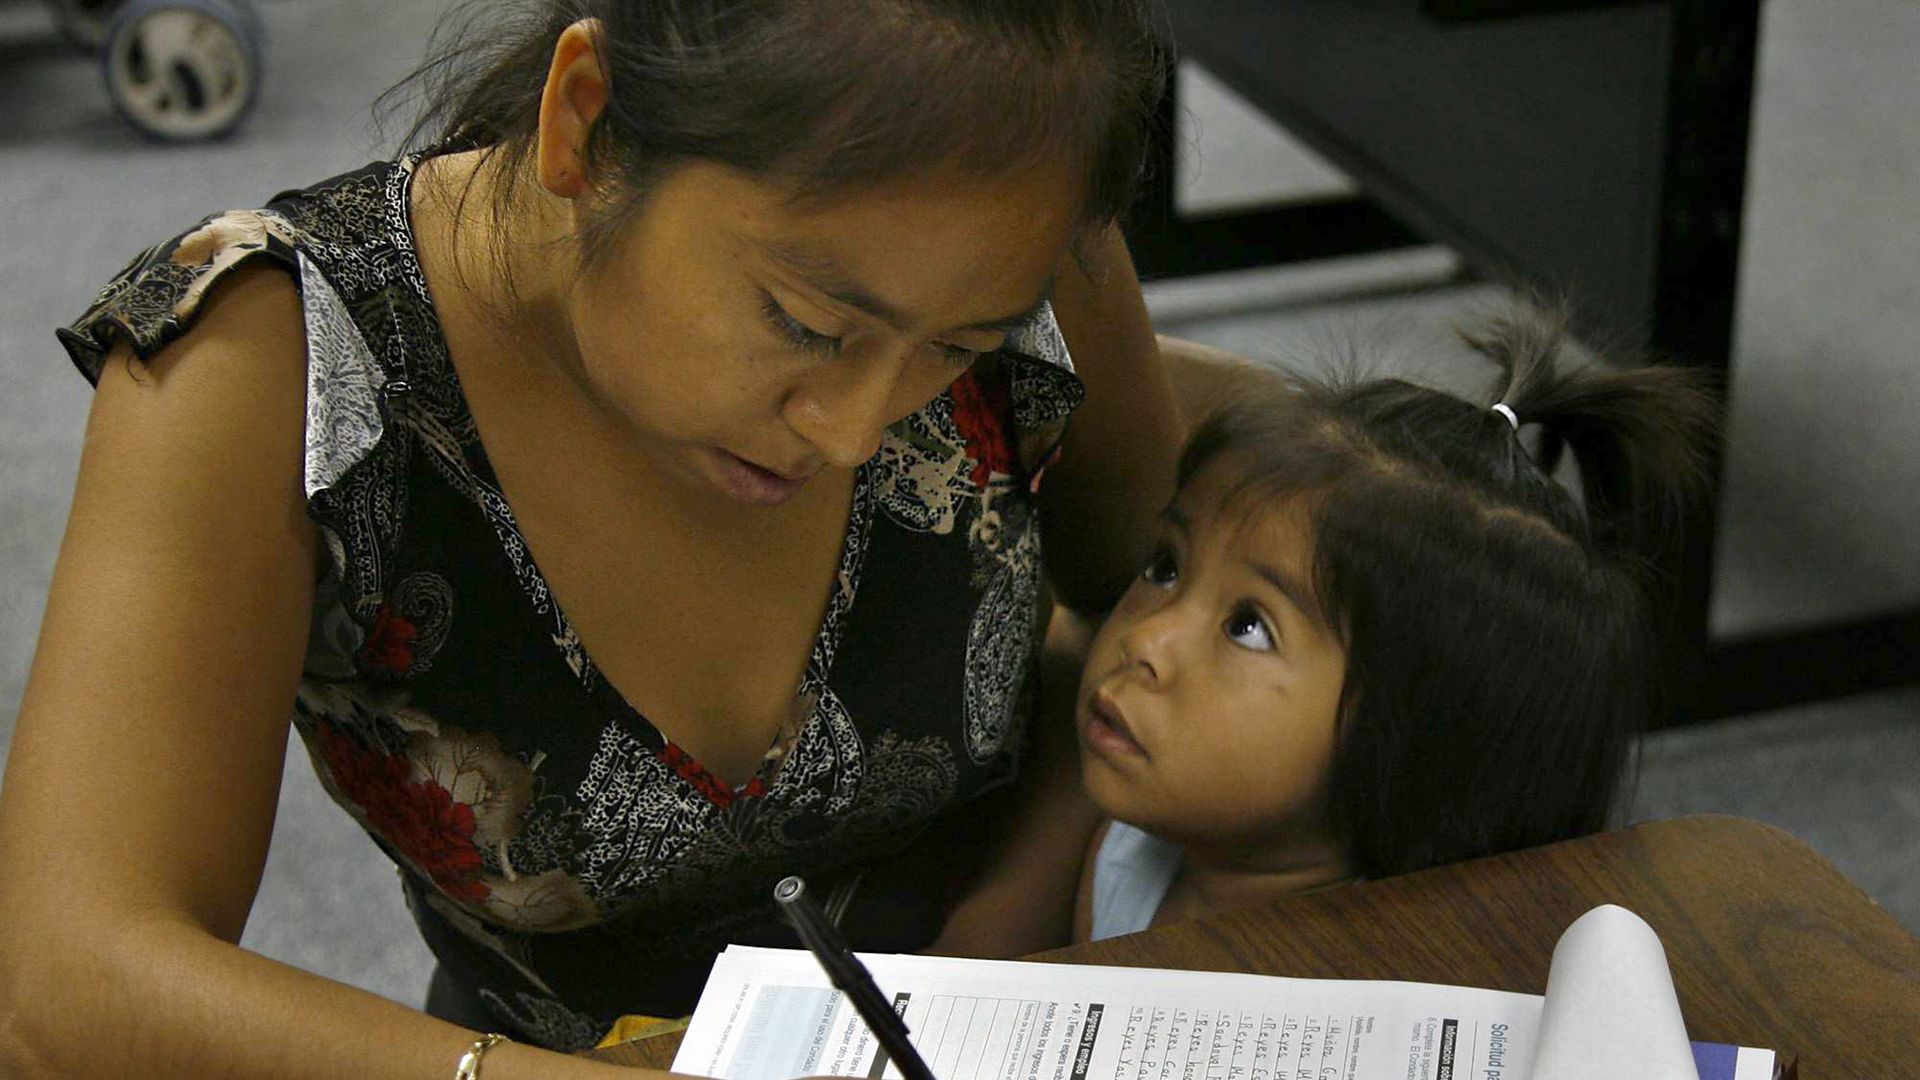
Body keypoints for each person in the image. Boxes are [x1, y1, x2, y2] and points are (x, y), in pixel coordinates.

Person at [0, 3, 1193, 1077]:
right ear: (586, 120)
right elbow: (65, 981)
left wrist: (1003, 922)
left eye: (956, 350)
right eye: (808, 324)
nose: (854, 429)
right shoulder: (280, 359)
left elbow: (1150, 588)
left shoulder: (1003, 212)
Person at [1066, 315, 1717, 942]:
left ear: (1415, 748)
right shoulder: (1121, 854)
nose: (1145, 641)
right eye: (1166, 566)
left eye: (1248, 627)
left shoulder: (1391, 986)